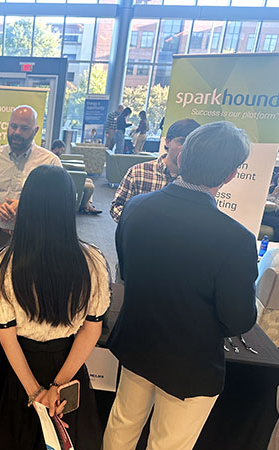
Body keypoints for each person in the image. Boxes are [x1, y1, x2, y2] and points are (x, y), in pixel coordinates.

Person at [103, 121, 258, 450]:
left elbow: (127, 272)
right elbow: (238, 320)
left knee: (122, 427)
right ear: (231, 174)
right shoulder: (236, 239)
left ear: (182, 155)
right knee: (168, 444)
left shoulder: (136, 207)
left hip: (137, 343)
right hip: (191, 363)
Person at [0, 164, 110, 450]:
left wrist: (35, 391)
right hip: (68, 364)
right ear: (69, 205)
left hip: (16, 370)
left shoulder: (1, 264)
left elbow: (6, 334)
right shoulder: (93, 261)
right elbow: (91, 329)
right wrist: (57, 388)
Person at [0, 105, 62, 249]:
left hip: (34, 237)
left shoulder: (50, 162)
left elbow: (59, 202)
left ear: (35, 131)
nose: (16, 132)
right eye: (13, 126)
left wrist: (25, 205)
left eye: (24, 128)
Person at [109, 118, 200, 222]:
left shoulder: (198, 181)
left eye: (193, 143)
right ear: (167, 142)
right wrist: (139, 223)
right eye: (182, 141)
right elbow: (116, 207)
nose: (187, 148)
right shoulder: (138, 172)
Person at [50, 140, 101, 215]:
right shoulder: (53, 158)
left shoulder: (53, 156)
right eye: (61, 150)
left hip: (66, 178)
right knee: (90, 186)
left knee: (89, 180)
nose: (62, 153)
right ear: (56, 149)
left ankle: (88, 205)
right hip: (63, 182)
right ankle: (84, 207)